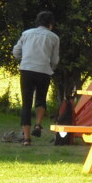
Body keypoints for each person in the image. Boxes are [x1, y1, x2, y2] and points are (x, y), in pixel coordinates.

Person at [12, 11, 60, 146]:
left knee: (26, 104)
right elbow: (55, 59)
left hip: (27, 70)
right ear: (50, 25)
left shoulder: (26, 34)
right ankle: (38, 124)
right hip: (44, 71)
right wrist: (51, 67)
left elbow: (16, 52)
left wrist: (24, 59)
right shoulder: (54, 37)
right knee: (40, 99)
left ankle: (26, 138)